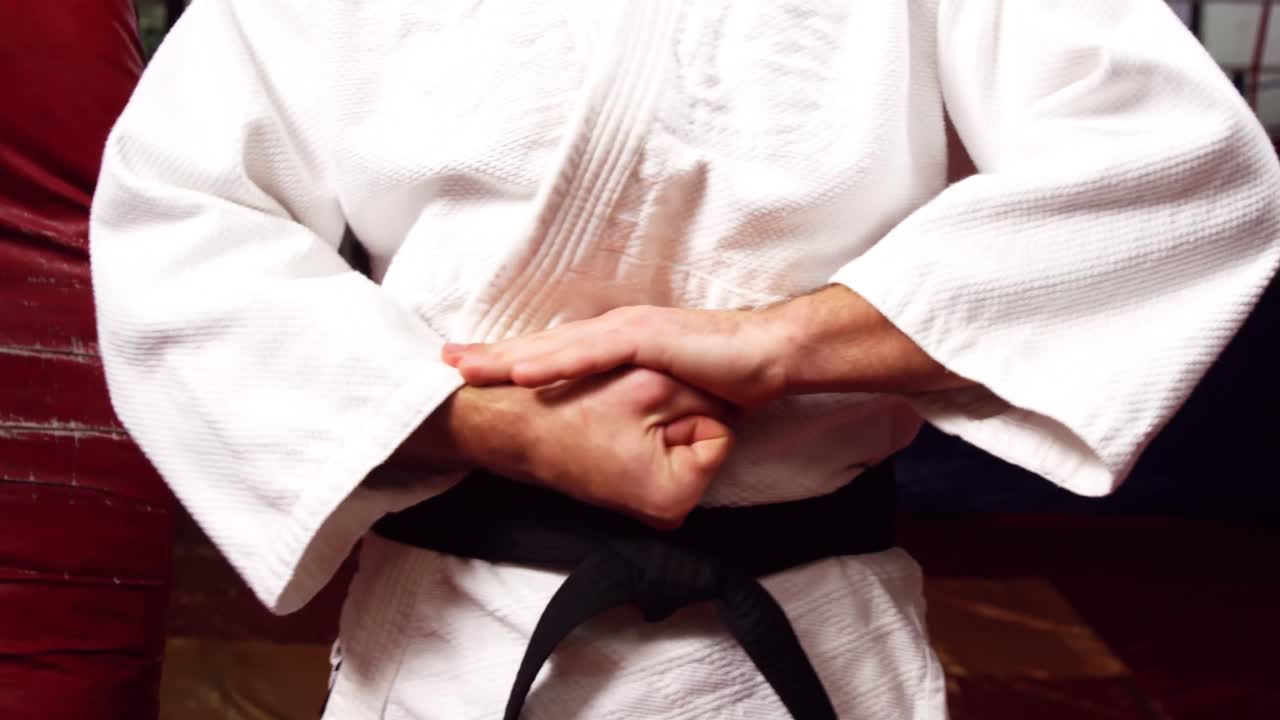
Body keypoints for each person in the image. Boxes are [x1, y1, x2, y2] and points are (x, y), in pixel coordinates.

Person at [89, 0, 1279, 718]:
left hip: (813, 629)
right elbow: (177, 219)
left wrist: (777, 342)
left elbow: (1183, 170)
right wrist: (483, 422)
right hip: (453, 634)